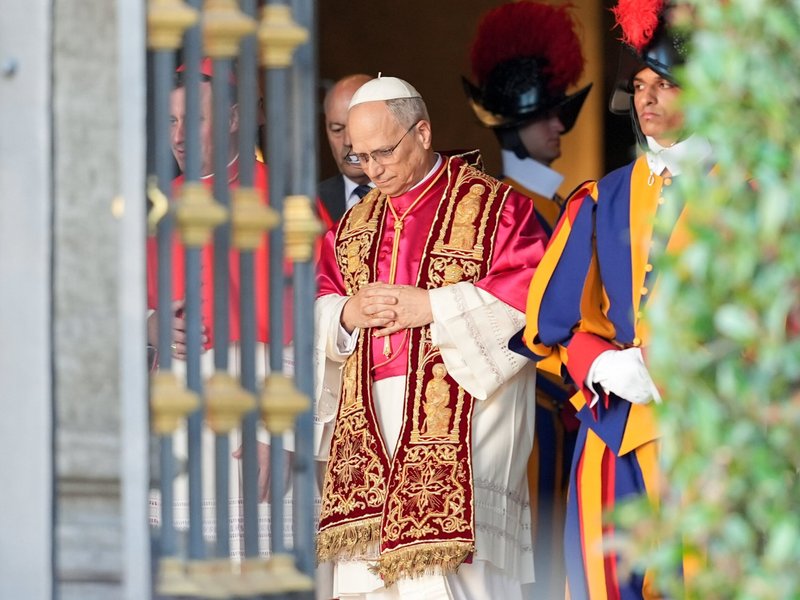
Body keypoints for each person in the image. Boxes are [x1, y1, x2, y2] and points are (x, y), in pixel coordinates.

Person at [314, 74, 549, 599]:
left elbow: (533, 296)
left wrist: (434, 306)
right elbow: (316, 304)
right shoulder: (351, 227)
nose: (373, 170)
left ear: (422, 133)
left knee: (453, 576)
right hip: (370, 426)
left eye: (383, 152)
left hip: (467, 414)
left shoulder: (495, 208)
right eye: (359, 157)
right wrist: (348, 313)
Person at [522, 2, 713, 597]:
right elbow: (550, 321)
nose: (647, 97)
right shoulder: (601, 198)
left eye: (666, 84)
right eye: (641, 85)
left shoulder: (751, 195)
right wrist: (602, 364)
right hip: (612, 427)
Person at [464, 4, 591, 595]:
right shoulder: (506, 207)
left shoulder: (555, 201)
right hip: (530, 401)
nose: (559, 126)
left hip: (566, 400)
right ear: (514, 122)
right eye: (545, 115)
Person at [146, 57, 285, 558]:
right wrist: (151, 324)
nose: (178, 137)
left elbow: (316, 323)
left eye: (194, 119)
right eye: (171, 120)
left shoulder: (279, 202)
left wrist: (279, 433)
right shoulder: (159, 209)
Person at [317, 74, 374, 227]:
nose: (348, 141)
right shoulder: (312, 204)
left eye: (357, 126)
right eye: (337, 129)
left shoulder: (415, 195)